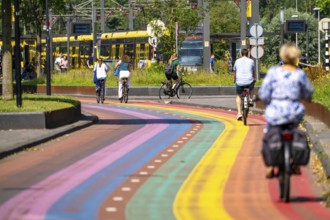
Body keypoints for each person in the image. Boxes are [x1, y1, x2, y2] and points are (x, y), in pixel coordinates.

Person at [258, 43, 314, 178]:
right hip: (293, 112)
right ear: (296, 57)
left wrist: (266, 100)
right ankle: (295, 163)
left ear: (282, 55)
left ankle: (271, 165)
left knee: (269, 132)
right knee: (296, 131)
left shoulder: (273, 72)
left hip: (275, 112)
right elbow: (308, 92)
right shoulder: (300, 74)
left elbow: (264, 93)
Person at [233, 48, 256, 120]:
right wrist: (254, 78)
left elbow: (235, 72)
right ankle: (251, 99)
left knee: (238, 95)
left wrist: (235, 79)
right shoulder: (251, 61)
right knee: (252, 87)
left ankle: (239, 113)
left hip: (239, 82)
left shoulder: (237, 61)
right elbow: (253, 71)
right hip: (249, 81)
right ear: (248, 54)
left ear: (240, 54)